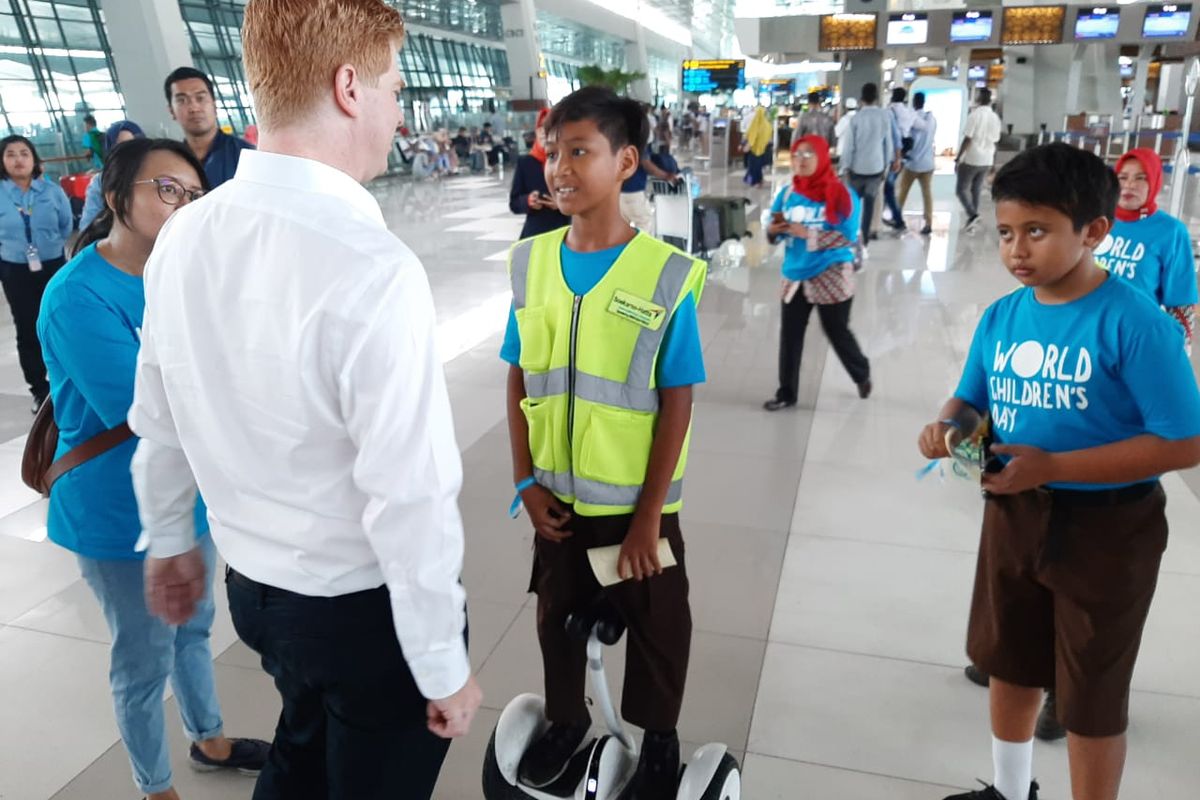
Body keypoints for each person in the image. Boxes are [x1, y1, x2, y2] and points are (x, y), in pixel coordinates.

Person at [131, 3, 483, 799]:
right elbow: (410, 493)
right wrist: (442, 665)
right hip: (365, 617)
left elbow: (159, 422)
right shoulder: (371, 265)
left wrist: (169, 538)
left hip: (256, 594)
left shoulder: (184, 235)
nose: (398, 110)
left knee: (302, 742)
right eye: (394, 86)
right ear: (350, 87)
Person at [919, 142, 1200, 800]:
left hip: (1107, 527)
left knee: (1090, 692)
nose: (1017, 250)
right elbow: (970, 400)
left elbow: (1185, 442)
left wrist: (1057, 465)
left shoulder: (1136, 323)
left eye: (1037, 231)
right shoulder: (1002, 316)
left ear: (1094, 231)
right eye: (1008, 233)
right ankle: (1011, 790)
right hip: (1015, 516)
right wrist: (948, 428)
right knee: (1010, 663)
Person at [39, 138, 269, 800]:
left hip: (184, 494)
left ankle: (209, 736)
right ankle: (155, 786)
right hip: (113, 509)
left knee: (193, 627)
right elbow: (140, 407)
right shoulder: (76, 295)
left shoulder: (186, 275)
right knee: (142, 659)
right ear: (116, 199)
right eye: (166, 190)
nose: (184, 205)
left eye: (194, 195)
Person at [500, 85, 707, 799]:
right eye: (552, 152)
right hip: (555, 502)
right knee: (555, 618)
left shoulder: (664, 274)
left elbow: (677, 398)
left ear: (627, 162)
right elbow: (519, 377)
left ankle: (660, 736)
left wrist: (651, 515)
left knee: (657, 627)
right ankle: (565, 720)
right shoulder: (530, 266)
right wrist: (525, 483)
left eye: (579, 152)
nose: (559, 167)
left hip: (634, 507)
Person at [763, 136, 871, 411]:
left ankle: (861, 372)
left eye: (808, 154)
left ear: (822, 157)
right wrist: (772, 232)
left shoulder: (843, 195)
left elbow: (848, 236)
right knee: (790, 334)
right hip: (795, 274)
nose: (801, 159)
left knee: (836, 330)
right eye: (797, 153)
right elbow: (774, 230)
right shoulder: (786, 194)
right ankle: (786, 393)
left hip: (832, 273)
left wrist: (807, 233)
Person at [0, 135, 73, 412]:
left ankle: (68, 380)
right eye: (11, 154)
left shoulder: (52, 191)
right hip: (15, 269)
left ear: (34, 159)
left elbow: (66, 225)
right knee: (27, 328)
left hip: (53, 264)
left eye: (24, 153)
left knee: (59, 322)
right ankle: (39, 390)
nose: (18, 159)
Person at [1099, 148, 1197, 350]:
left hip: (1136, 338)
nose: (1129, 185)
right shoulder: (1097, 221)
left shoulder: (1170, 231)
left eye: (1140, 178)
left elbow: (1180, 302)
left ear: (1154, 182)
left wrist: (1177, 350)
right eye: (1122, 177)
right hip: (1090, 331)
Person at [164, 66, 254, 188]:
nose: (194, 108)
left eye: (200, 98)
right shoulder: (169, 162)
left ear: (214, 105)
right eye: (182, 100)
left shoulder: (245, 155)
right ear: (171, 111)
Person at [840, 83, 897, 251]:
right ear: (877, 98)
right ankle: (864, 242)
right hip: (876, 169)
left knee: (853, 206)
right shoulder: (884, 116)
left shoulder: (856, 119)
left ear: (861, 99)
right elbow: (888, 145)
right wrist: (886, 167)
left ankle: (850, 237)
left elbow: (849, 147)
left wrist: (844, 168)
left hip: (856, 170)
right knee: (869, 207)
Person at [510, 107, 569, 239]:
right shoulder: (526, 163)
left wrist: (561, 204)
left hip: (564, 231)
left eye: (548, 128)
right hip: (535, 233)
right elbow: (514, 203)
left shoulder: (569, 161)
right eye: (540, 128)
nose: (543, 132)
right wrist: (528, 201)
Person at [80, 120, 145, 230]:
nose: (129, 152)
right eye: (121, 146)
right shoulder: (100, 182)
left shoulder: (155, 176)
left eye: (134, 144)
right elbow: (87, 227)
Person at [957, 87, 1002, 233]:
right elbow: (996, 141)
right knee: (976, 189)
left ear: (979, 99)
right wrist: (993, 162)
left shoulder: (975, 115)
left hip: (972, 158)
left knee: (961, 189)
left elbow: (968, 138)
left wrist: (958, 157)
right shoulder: (995, 118)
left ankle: (973, 214)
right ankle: (972, 222)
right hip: (987, 158)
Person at [895, 92, 937, 235]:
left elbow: (906, 137)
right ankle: (929, 223)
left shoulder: (911, 119)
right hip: (928, 163)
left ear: (914, 102)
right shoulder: (932, 120)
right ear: (924, 102)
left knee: (903, 192)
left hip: (913, 163)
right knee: (927, 194)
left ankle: (897, 218)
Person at [882, 87, 916, 231]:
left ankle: (898, 219)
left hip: (891, 154)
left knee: (888, 188)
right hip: (903, 154)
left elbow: (892, 136)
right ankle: (884, 216)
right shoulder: (909, 112)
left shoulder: (889, 112)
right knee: (888, 187)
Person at [743, 106, 773, 188]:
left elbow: (752, 135)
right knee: (759, 166)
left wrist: (748, 146)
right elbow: (769, 137)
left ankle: (755, 182)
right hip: (764, 149)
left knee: (753, 166)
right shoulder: (768, 124)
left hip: (755, 149)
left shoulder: (756, 123)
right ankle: (759, 181)